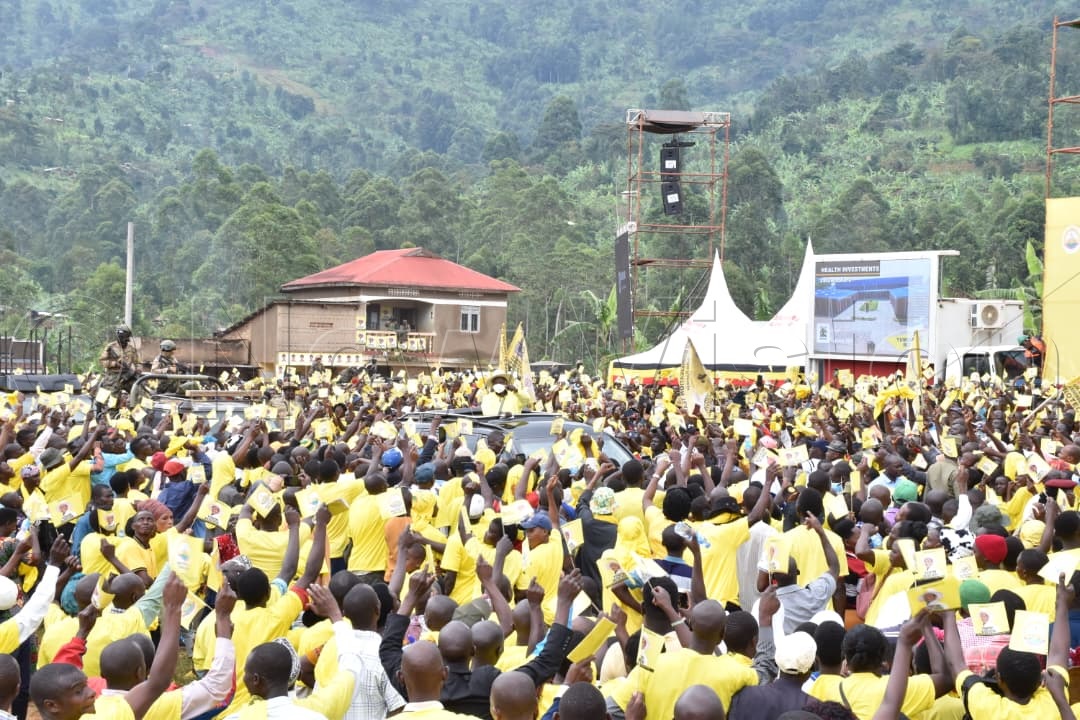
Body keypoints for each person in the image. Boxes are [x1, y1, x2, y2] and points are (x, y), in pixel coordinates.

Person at [98, 325, 141, 398]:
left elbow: (138, 364)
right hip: (113, 376)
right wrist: (114, 364)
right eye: (121, 337)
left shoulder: (132, 349)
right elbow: (102, 361)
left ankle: (136, 408)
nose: (123, 339)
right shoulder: (110, 347)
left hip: (128, 375)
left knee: (140, 394)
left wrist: (135, 371)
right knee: (112, 400)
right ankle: (111, 409)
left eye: (125, 337)